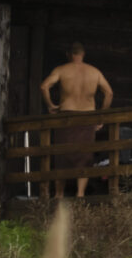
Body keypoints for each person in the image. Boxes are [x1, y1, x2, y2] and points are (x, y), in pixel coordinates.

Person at [38, 43, 114, 199]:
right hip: (88, 116)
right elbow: (109, 93)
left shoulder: (62, 70)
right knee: (85, 156)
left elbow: (44, 87)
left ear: (68, 54)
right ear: (83, 54)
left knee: (62, 155)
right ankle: (80, 194)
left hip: (67, 116)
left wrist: (51, 105)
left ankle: (59, 194)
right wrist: (101, 115)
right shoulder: (94, 72)